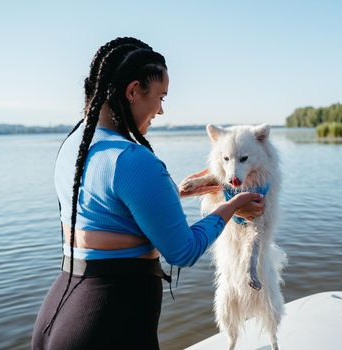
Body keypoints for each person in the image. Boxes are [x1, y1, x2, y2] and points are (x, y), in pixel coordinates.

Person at [31, 37, 265, 350]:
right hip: (109, 322)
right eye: (160, 96)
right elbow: (183, 251)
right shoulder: (133, 159)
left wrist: (177, 193)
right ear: (132, 91)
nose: (161, 110)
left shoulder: (74, 145)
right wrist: (232, 205)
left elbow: (110, 211)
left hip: (57, 314)